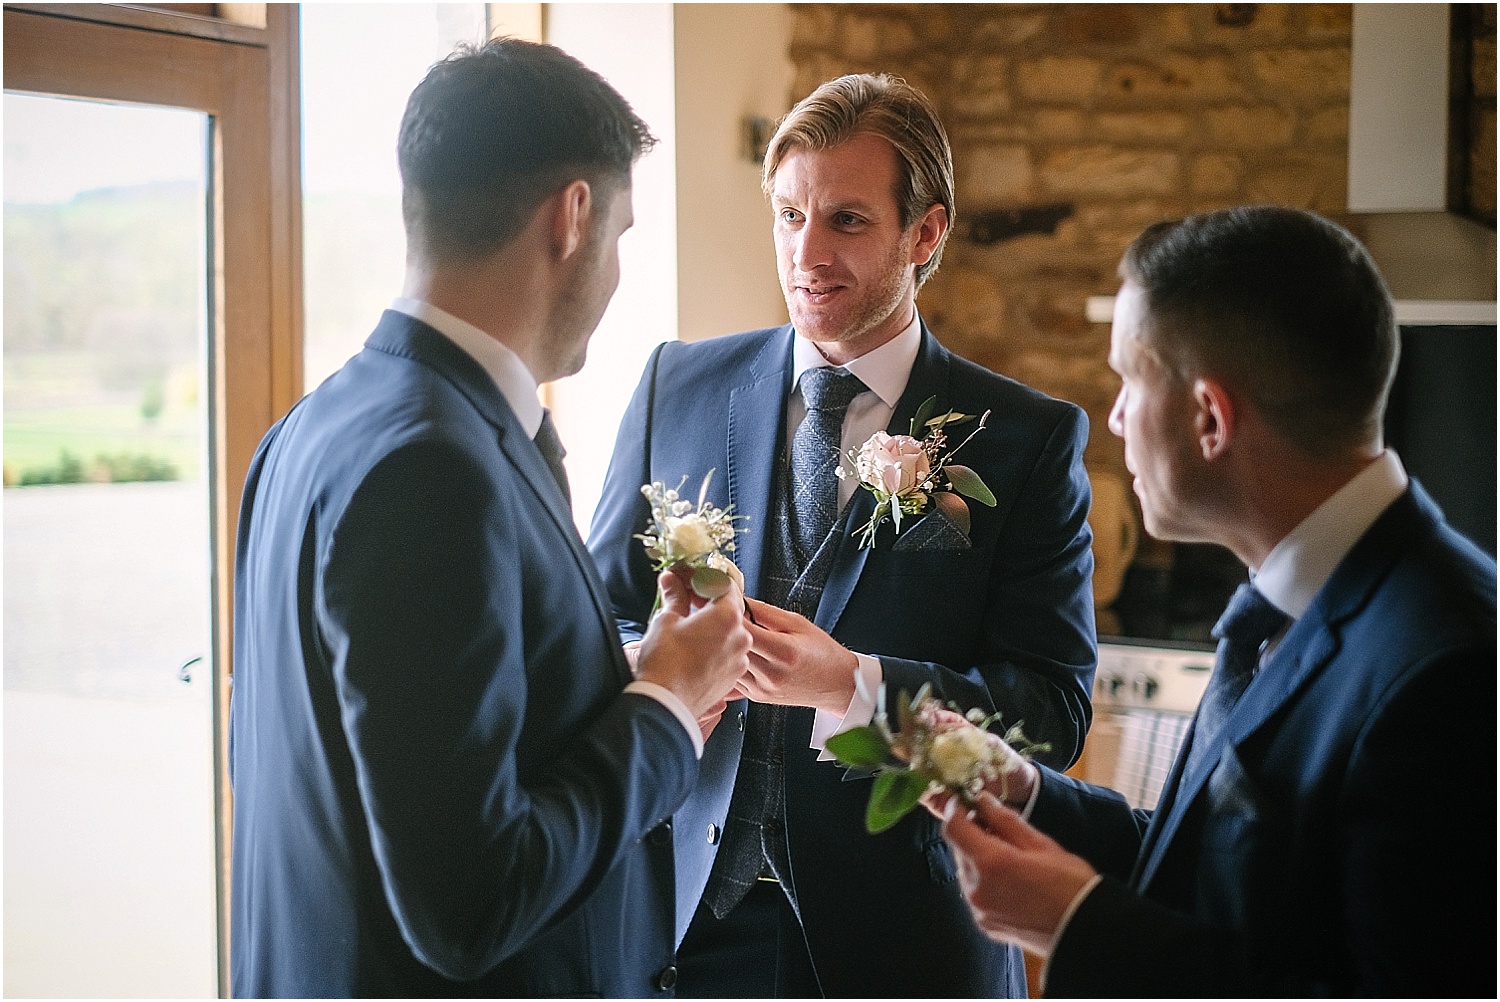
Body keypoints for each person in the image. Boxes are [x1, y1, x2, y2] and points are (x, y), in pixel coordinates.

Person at [229, 39, 752, 998]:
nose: (619, 268)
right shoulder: (434, 470)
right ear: (573, 217)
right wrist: (669, 706)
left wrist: (612, 679)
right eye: (624, 234)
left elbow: (364, 759)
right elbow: (469, 905)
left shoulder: (311, 428)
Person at [588, 73, 1097, 998]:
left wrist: (857, 687)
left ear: (926, 233)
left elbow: (1051, 714)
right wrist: (652, 666)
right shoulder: (677, 385)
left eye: (847, 222)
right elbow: (598, 616)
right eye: (789, 216)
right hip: (681, 929)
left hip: (907, 948)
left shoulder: (1023, 440)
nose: (805, 254)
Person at [931, 205, 1496, 997]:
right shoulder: (1282, 603)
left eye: (1130, 378)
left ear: (1209, 417)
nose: (1116, 417)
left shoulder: (1451, 668)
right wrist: (1028, 794)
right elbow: (1209, 864)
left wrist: (1081, 927)